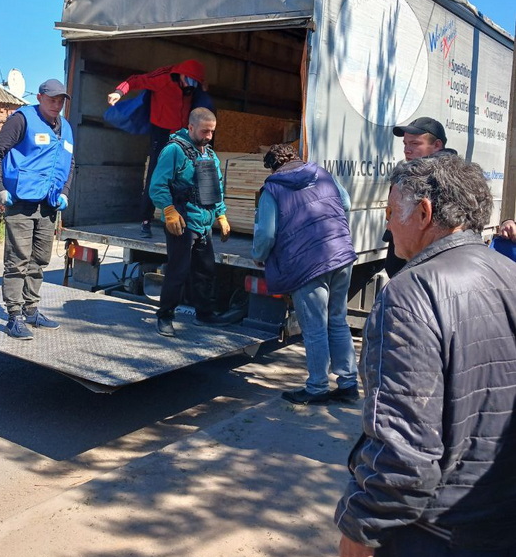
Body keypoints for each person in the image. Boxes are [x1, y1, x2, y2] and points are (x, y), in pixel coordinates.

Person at [335, 154, 516, 557]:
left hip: (435, 539)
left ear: (425, 212)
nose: (387, 221)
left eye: (392, 209)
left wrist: (360, 524)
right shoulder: (510, 276)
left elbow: (407, 450)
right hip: (501, 525)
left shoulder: (411, 294)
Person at [252, 144, 358, 405]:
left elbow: (266, 234)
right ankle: (348, 383)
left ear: (273, 166)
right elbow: (345, 203)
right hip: (340, 253)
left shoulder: (273, 189)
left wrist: (259, 255)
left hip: (306, 263)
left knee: (314, 327)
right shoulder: (323, 174)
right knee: (337, 319)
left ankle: (317, 387)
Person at [0, 78, 74, 340]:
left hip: (49, 204)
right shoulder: (21, 120)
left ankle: (31, 309)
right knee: (17, 261)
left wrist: (65, 193)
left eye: (61, 100)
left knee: (39, 261)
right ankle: (14, 316)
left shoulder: (65, 127)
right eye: (52, 99)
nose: (57, 104)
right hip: (21, 202)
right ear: (40, 97)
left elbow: (70, 161)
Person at [149, 107, 230, 337]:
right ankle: (165, 317)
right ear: (191, 127)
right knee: (178, 271)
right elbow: (157, 184)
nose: (209, 136)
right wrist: (168, 210)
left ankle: (204, 314)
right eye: (205, 131)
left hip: (204, 223)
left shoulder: (209, 154)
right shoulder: (174, 150)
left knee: (206, 271)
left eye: (212, 132)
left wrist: (221, 215)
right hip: (182, 222)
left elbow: (217, 187)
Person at [107, 59, 208, 238]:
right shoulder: (162, 79)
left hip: (182, 134)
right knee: (156, 175)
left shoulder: (193, 89)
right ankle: (146, 220)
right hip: (160, 132)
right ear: (181, 75)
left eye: (194, 83)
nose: (189, 86)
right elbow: (134, 80)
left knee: (182, 176)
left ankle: (181, 218)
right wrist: (118, 92)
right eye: (188, 80)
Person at [384, 116, 450, 277]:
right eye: (405, 144)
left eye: (415, 144)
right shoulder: (403, 173)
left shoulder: (448, 178)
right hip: (401, 263)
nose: (407, 150)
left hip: (426, 269)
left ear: (437, 145)